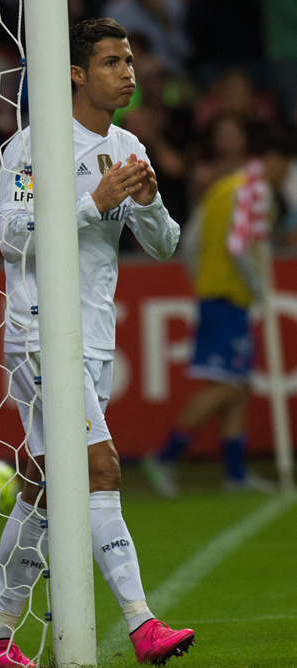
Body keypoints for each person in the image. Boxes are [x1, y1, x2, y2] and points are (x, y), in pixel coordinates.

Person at [0, 18, 195, 667]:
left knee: (45, 489)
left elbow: (166, 244)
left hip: (92, 337)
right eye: (111, 62)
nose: (128, 72)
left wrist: (149, 205)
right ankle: (142, 624)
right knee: (101, 469)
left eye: (129, 60)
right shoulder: (32, 146)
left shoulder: (127, 145)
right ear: (76, 72)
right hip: (41, 331)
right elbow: (13, 238)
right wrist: (93, 203)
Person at [143, 134, 294, 497]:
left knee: (238, 385)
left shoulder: (222, 188)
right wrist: (258, 289)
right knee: (224, 384)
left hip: (218, 296)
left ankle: (236, 473)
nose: (286, 173)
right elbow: (239, 247)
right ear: (273, 161)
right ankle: (164, 457)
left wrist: (204, 282)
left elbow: (192, 243)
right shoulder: (253, 195)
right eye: (285, 165)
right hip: (229, 298)